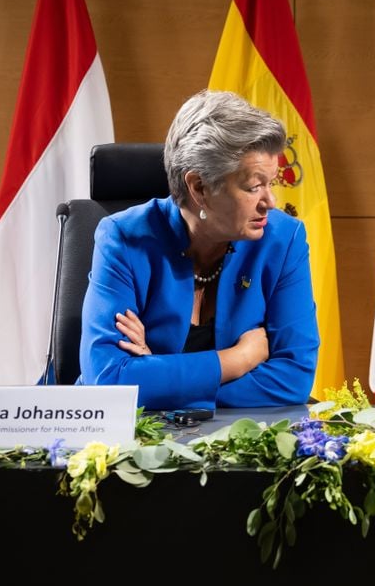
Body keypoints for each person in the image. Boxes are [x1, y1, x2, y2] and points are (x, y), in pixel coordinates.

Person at [79, 89, 319, 409]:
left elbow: (294, 378)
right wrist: (239, 359)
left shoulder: (282, 239)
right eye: (253, 187)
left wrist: (159, 381)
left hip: (236, 439)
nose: (270, 203)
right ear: (199, 187)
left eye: (271, 183)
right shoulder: (123, 238)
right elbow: (108, 381)